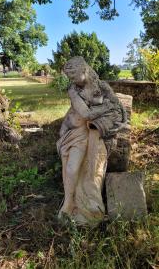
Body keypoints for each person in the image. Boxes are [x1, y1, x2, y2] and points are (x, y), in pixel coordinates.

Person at [57, 56, 127, 225]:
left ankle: (88, 203)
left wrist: (115, 113)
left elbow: (119, 107)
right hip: (72, 133)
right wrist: (106, 106)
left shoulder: (101, 86)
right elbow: (86, 114)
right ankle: (68, 203)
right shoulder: (73, 91)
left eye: (73, 76)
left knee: (92, 164)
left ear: (84, 70)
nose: (72, 80)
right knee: (72, 169)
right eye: (69, 77)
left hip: (89, 132)